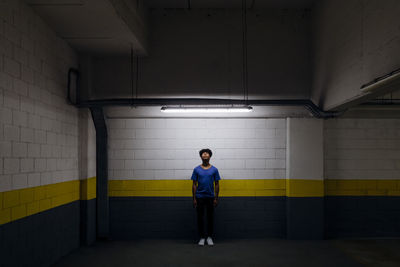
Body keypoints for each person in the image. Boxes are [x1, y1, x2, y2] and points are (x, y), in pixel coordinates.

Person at [191, 148, 221, 246]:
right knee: (200, 218)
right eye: (203, 153)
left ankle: (209, 237)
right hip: (199, 197)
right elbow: (194, 184)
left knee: (210, 218)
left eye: (206, 153)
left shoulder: (214, 169)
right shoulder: (196, 169)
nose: (204, 154)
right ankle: (202, 237)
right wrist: (194, 198)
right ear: (201, 156)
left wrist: (216, 198)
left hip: (210, 197)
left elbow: (217, 184)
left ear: (209, 156)